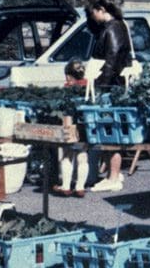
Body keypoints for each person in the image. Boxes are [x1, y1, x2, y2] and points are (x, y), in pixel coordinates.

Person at [85, 0, 133, 193]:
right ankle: (112, 174)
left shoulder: (112, 28)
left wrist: (102, 86)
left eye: (92, 12)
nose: (92, 17)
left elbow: (111, 60)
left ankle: (113, 177)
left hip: (110, 87)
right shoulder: (115, 26)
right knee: (108, 130)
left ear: (101, 9)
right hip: (113, 85)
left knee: (109, 130)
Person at [53, 60, 90, 197]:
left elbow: (64, 109)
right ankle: (80, 187)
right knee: (82, 156)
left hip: (70, 124)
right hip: (85, 126)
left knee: (67, 155)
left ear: (69, 75)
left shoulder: (67, 89)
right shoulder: (88, 87)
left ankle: (66, 186)